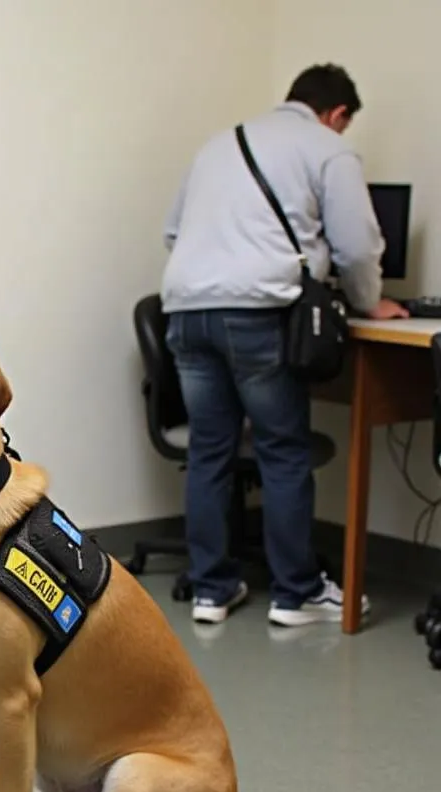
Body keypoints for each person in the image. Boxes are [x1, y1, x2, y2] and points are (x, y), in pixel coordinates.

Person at [160, 63, 408, 628]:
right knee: (284, 451)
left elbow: (174, 232)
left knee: (209, 452)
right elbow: (356, 245)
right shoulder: (328, 148)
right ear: (338, 114)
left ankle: (211, 590)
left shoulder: (219, 144)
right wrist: (370, 303)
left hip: (186, 308)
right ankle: (296, 594)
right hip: (258, 312)